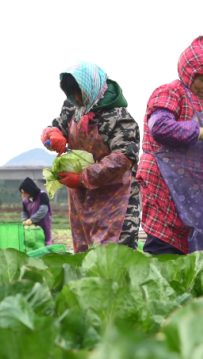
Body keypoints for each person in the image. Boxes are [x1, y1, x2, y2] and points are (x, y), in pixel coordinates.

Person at [136, 36, 203, 256]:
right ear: (188, 73)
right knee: (164, 242)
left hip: (194, 189)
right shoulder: (169, 92)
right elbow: (160, 127)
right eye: (202, 79)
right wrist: (201, 132)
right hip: (164, 183)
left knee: (194, 250)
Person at [41, 61, 141, 253]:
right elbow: (58, 126)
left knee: (116, 257)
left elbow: (123, 158)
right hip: (83, 199)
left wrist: (81, 178)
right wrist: (53, 134)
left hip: (115, 197)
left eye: (79, 93)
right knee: (86, 255)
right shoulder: (73, 107)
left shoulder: (118, 116)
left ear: (90, 88)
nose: (77, 99)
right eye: (72, 95)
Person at [19, 177, 53, 246]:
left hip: (44, 223)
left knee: (45, 240)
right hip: (32, 226)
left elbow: (43, 210)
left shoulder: (42, 195)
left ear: (29, 190)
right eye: (22, 192)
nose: (23, 195)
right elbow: (24, 212)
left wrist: (32, 219)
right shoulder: (25, 200)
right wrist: (25, 220)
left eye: (24, 192)